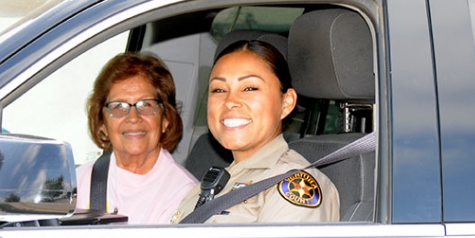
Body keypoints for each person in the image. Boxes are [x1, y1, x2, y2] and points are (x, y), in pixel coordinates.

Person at [171, 39, 339, 224]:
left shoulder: (294, 186)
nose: (229, 101)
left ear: (287, 102)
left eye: (249, 88)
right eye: (219, 89)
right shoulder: (213, 182)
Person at [76, 52, 196, 224]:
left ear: (166, 119)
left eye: (146, 104)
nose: (133, 117)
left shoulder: (184, 196)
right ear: (102, 123)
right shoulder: (78, 183)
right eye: (118, 106)